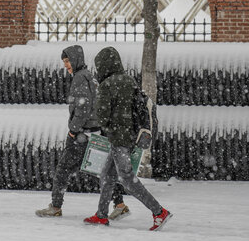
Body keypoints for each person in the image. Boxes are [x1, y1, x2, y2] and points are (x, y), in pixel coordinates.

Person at [83, 46, 172, 231]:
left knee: (127, 179)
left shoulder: (107, 84)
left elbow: (102, 115)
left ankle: (159, 212)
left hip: (119, 138)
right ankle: (101, 215)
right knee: (107, 176)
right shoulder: (129, 80)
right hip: (131, 136)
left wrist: (104, 123)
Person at [36, 45, 129, 220]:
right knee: (100, 169)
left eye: (67, 61)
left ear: (76, 60)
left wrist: (73, 129)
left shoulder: (79, 78)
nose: (66, 65)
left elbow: (83, 107)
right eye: (64, 62)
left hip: (82, 134)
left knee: (63, 169)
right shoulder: (90, 77)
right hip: (94, 132)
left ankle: (55, 206)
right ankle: (120, 204)